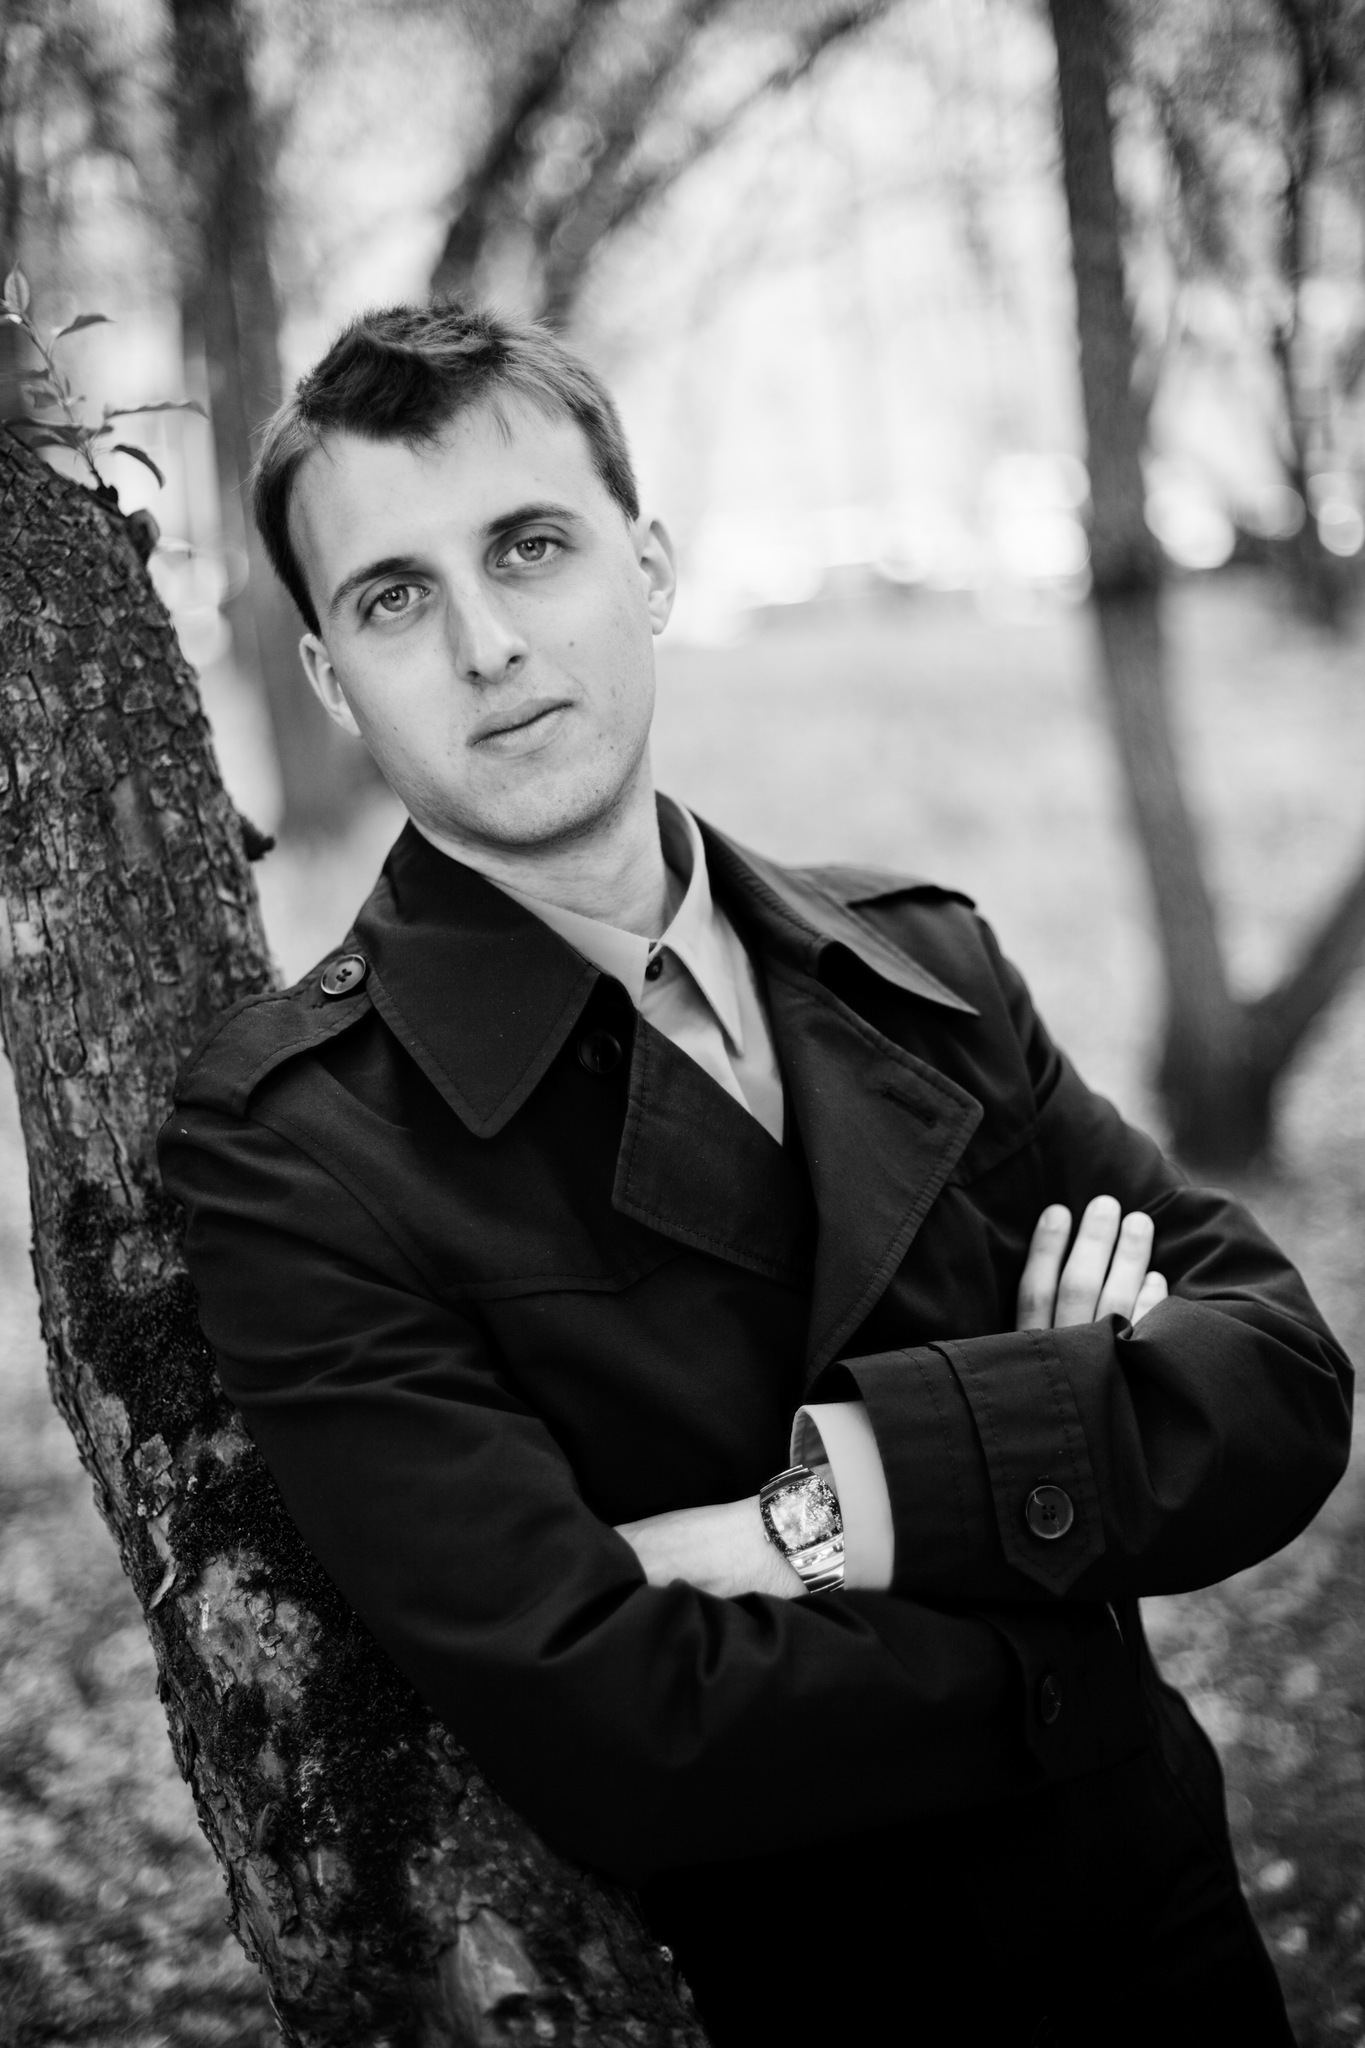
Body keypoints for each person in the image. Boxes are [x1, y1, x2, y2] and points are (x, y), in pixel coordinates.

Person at [159, 301, 1351, 2047]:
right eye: (395, 597)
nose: (487, 644)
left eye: (530, 546)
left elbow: (1279, 1379)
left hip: (1156, 1939)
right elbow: (617, 1726)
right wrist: (1063, 1521)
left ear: (646, 569)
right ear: (332, 679)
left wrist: (819, 1511)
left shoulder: (920, 962)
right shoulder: (300, 1143)